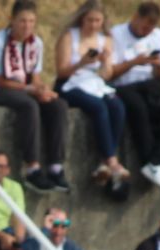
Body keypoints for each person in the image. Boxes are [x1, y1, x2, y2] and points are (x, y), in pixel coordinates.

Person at [0, 1, 70, 192]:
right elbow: (1, 81)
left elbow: (35, 76)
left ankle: (56, 166)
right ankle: (32, 167)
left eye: (31, 21)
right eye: (22, 21)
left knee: (58, 105)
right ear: (12, 20)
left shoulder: (36, 43)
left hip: (25, 88)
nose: (27, 26)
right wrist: (32, 90)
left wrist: (43, 90)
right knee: (29, 106)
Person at [55, 0, 132, 193]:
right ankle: (112, 160)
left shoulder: (105, 40)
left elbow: (107, 75)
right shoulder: (69, 37)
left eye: (98, 20)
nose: (94, 25)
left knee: (117, 107)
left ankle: (104, 161)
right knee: (98, 107)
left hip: (94, 83)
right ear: (82, 19)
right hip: (71, 82)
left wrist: (106, 63)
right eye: (90, 20)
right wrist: (81, 63)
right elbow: (62, 71)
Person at [110, 1, 160, 189]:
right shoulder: (116, 34)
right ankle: (149, 162)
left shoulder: (158, 36)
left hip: (149, 83)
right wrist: (135, 61)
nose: (146, 31)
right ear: (136, 17)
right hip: (124, 84)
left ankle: (158, 161)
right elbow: (110, 73)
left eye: (150, 28)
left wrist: (158, 66)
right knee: (139, 109)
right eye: (144, 26)